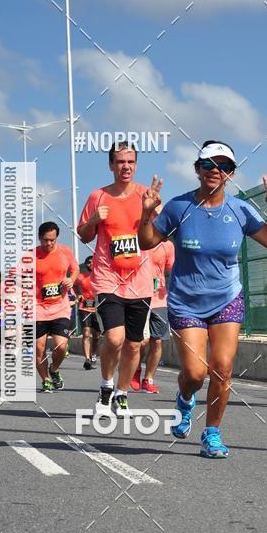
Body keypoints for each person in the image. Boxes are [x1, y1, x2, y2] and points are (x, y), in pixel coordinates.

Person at [138, 140, 267, 459]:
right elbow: (148, 241)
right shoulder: (179, 208)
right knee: (194, 373)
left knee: (222, 368)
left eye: (224, 167)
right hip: (186, 301)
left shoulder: (241, 210)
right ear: (197, 169)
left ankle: (212, 433)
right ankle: (185, 400)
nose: (215, 171)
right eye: (208, 165)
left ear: (231, 174)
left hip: (226, 299)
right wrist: (146, 215)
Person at [77, 141, 154, 416]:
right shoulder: (97, 197)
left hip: (141, 280)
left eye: (131, 161)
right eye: (120, 161)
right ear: (111, 165)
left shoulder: (147, 194)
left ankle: (122, 393)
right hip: (107, 278)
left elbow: (157, 235)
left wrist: (149, 211)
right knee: (114, 337)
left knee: (134, 344)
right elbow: (84, 235)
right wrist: (94, 220)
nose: (126, 166)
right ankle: (106, 385)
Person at [31, 221, 79, 392]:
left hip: (60, 306)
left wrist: (71, 279)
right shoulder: (30, 256)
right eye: (45, 240)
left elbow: (75, 270)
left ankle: (54, 369)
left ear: (56, 238)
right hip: (37, 307)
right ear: (39, 238)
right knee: (39, 347)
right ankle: (45, 380)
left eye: (52, 240)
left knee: (61, 346)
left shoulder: (66, 252)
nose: (49, 243)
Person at [130, 239, 175, 393]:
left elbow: (173, 268)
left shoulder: (167, 245)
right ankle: (135, 371)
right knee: (141, 342)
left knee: (157, 342)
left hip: (160, 299)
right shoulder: (136, 240)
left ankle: (148, 379)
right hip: (138, 296)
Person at [74, 255, 100, 370]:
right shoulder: (81, 276)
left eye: (93, 262)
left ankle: (93, 355)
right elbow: (72, 284)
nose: (91, 264)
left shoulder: (100, 276)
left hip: (98, 309)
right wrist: (78, 295)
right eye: (88, 262)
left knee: (96, 336)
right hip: (84, 307)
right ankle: (87, 359)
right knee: (85, 333)